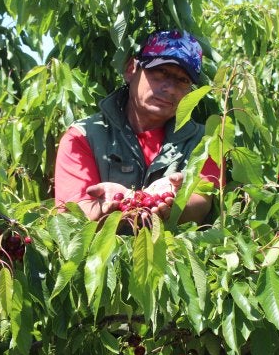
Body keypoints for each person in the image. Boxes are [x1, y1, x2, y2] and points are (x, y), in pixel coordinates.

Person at [54, 29, 222, 225]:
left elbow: (202, 202)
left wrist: (175, 204)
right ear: (131, 69)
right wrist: (104, 209)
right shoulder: (82, 137)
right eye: (159, 72)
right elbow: (71, 213)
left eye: (182, 80)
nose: (169, 88)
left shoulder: (206, 140)